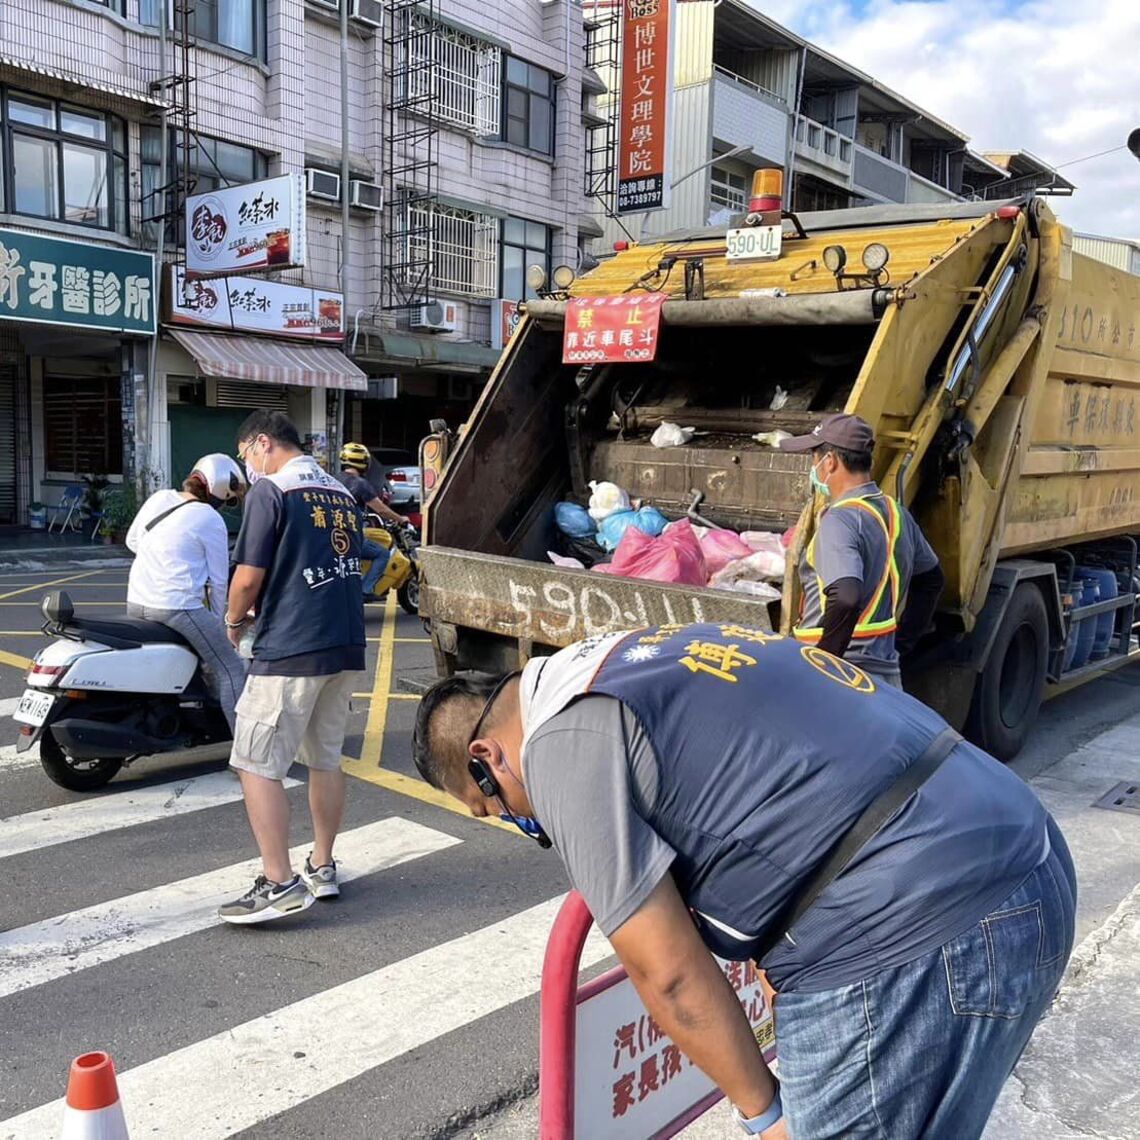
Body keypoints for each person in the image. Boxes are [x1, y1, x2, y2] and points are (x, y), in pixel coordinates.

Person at [413, 623, 1076, 1139]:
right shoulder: (632, 657)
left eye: (495, 808)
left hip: (908, 936)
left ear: (487, 758)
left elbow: (667, 974)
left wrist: (764, 1112)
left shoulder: (557, 746)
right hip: (1027, 862)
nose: (519, 821)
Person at [218, 411, 366, 925]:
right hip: (344, 645)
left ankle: (279, 882)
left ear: (262, 443)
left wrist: (234, 619)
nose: (248, 468)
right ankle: (322, 866)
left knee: (255, 763)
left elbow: (247, 577)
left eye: (246, 457)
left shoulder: (273, 491)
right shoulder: (342, 493)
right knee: (325, 758)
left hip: (292, 648)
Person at [779, 413, 944, 688]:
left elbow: (845, 597)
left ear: (829, 461)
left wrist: (823, 665)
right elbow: (932, 581)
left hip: (844, 678)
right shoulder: (898, 514)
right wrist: (902, 644)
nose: (814, 467)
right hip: (886, 673)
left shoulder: (839, 519)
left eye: (814, 457)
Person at [125, 454, 247, 731]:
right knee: (230, 668)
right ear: (219, 490)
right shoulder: (209, 518)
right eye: (227, 499)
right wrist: (221, 623)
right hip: (176, 607)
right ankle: (247, 754)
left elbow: (134, 541)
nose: (225, 505)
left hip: (137, 600)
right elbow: (218, 581)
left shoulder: (160, 498)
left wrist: (164, 558)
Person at [338, 441, 415, 603]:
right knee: (382, 554)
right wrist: (401, 519)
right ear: (363, 462)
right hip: (351, 537)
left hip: (330, 536)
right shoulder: (360, 484)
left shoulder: (333, 479)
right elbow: (382, 510)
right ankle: (365, 589)